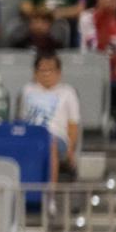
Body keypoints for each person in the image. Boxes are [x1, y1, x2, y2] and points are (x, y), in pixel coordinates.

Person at [21, 51, 81, 179]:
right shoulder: (27, 90)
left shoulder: (68, 92)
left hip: (57, 137)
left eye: (50, 70)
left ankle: (49, 195)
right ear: (35, 73)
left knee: (49, 143)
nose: (46, 74)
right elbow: (22, 119)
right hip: (31, 135)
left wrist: (70, 150)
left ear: (59, 73)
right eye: (42, 70)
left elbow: (73, 124)